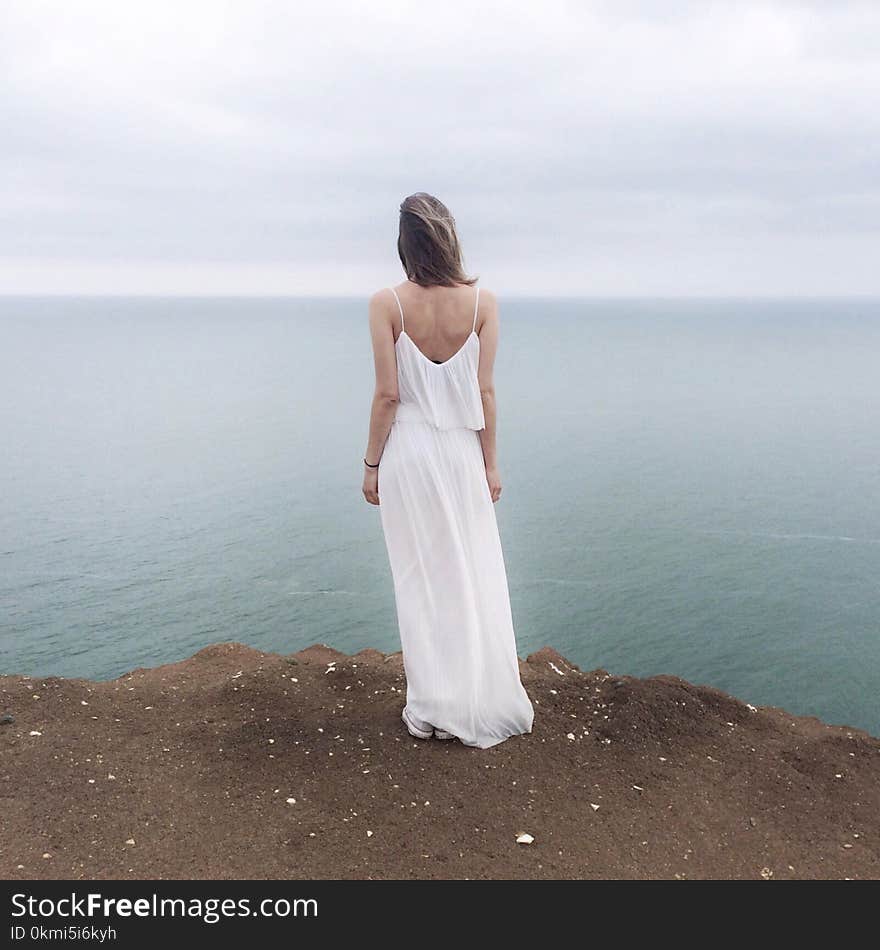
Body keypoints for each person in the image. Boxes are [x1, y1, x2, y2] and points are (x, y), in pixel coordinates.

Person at [361, 192, 534, 749]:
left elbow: (388, 394)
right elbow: (484, 392)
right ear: (450, 237)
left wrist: (370, 465)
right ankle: (478, 697)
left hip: (408, 456)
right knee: (471, 573)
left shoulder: (386, 303)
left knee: (420, 579)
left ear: (404, 244)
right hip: (461, 454)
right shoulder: (483, 302)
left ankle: (432, 708)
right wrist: (491, 464)